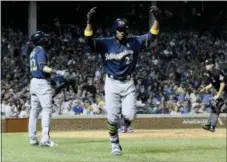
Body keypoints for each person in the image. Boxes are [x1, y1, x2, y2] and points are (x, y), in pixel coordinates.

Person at [84, 6, 160, 155]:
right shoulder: (105, 43)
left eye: (125, 30)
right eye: (120, 30)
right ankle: (115, 145)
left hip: (128, 83)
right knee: (112, 118)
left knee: (130, 116)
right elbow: (88, 41)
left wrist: (157, 20)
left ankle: (123, 126)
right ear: (114, 30)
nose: (123, 32)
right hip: (112, 83)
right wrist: (89, 22)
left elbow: (152, 35)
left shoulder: (135, 42)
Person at [28, 31, 66, 147]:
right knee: (46, 109)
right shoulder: (41, 50)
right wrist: (57, 71)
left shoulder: (32, 52)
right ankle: (45, 138)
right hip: (41, 83)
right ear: (40, 40)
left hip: (34, 82)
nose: (45, 39)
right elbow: (42, 67)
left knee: (34, 112)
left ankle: (32, 138)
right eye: (43, 38)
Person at [200, 59, 227, 132]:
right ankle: (210, 125)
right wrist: (205, 88)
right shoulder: (208, 73)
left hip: (225, 92)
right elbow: (212, 83)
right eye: (206, 64)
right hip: (223, 92)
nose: (206, 66)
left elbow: (223, 83)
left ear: (212, 65)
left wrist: (218, 94)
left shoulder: (217, 72)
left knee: (219, 107)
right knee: (215, 107)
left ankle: (210, 125)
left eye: (208, 64)